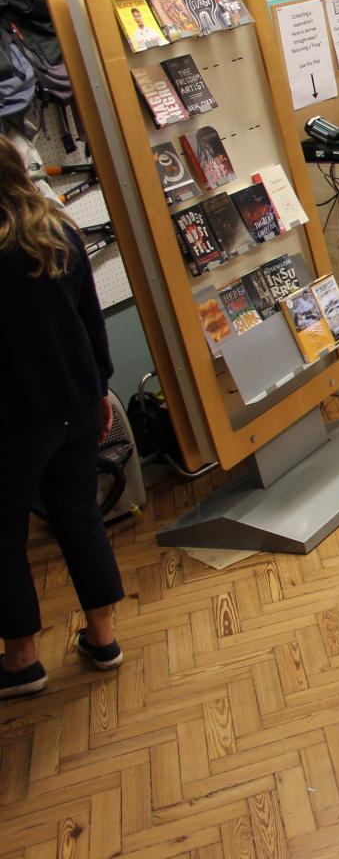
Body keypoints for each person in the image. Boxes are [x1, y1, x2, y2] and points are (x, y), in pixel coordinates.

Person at [0, 139, 124, 698]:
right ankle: (103, 639)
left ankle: (21, 661)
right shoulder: (59, 231)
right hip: (76, 402)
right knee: (79, 516)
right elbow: (90, 323)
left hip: (15, 418)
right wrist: (99, 391)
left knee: (4, 537)